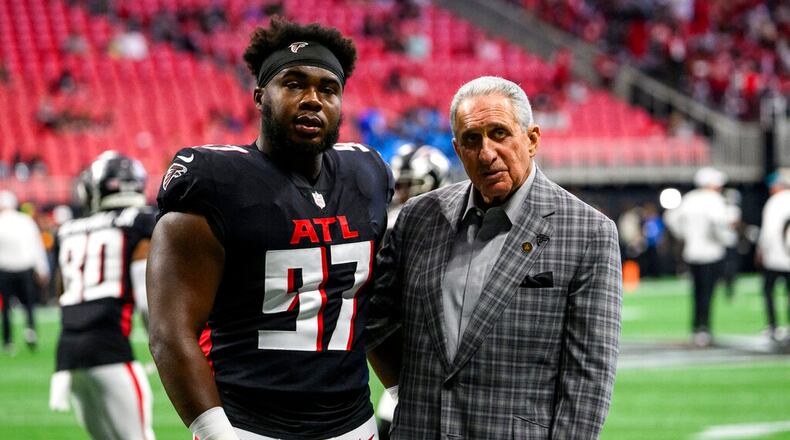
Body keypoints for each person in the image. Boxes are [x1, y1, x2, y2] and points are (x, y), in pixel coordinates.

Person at [147, 17, 392, 440]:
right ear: (260, 96)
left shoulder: (366, 174)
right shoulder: (216, 182)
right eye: (294, 84)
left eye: (327, 89)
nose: (313, 99)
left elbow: (372, 312)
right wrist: (215, 432)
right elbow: (171, 334)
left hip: (355, 423)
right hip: (250, 426)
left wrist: (401, 391)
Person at [366, 76, 622, 439]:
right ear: (457, 149)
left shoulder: (587, 232)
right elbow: (374, 318)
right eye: (472, 140)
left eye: (499, 133)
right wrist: (404, 391)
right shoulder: (419, 217)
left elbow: (588, 379)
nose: (486, 153)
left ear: (531, 139)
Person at [48, 151, 156, 440]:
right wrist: (159, 345)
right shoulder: (139, 221)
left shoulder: (68, 230)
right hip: (110, 347)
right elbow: (147, 302)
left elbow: (62, 293)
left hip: (68, 351)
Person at [376, 143, 450, 439]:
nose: (402, 195)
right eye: (400, 186)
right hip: (407, 360)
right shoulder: (400, 227)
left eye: (411, 186)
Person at [665, 167, 734, 347]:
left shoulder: (690, 199)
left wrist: (685, 235)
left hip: (692, 253)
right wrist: (724, 239)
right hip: (711, 253)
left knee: (697, 293)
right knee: (708, 293)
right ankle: (704, 329)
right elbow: (718, 225)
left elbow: (671, 219)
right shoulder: (715, 200)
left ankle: (696, 328)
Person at [0, 190, 50, 354]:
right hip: (25, 268)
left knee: (6, 308)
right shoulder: (25, 221)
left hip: (5, 269)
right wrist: (42, 268)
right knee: (29, 304)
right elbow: (36, 246)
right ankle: (30, 330)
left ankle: (8, 341)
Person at [756, 169, 790, 342]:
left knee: (769, 291)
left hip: (776, 257)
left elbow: (768, 232)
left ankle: (773, 326)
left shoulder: (775, 202)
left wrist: (761, 251)